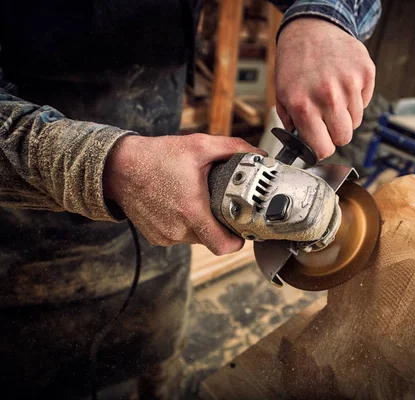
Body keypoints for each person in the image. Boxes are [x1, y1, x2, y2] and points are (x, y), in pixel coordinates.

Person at [0, 0, 381, 398]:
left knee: (159, 369)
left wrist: (320, 17)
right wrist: (107, 164)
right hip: (26, 253)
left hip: (174, 209)